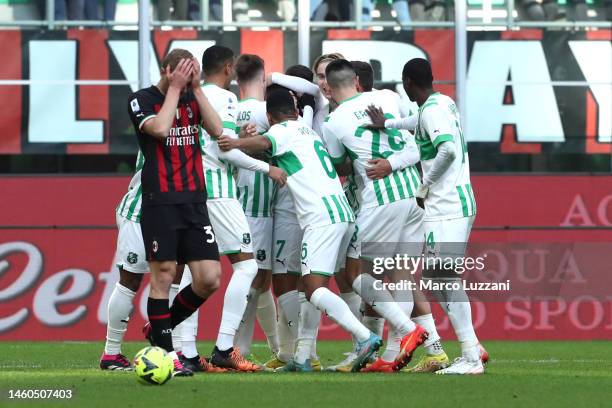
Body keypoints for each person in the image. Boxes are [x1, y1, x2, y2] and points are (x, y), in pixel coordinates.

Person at [218, 88, 382, 373]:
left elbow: (262, 142)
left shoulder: (283, 130)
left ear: (271, 116)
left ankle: (364, 337)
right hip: (341, 212)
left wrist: (233, 141)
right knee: (312, 288)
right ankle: (303, 356)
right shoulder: (307, 132)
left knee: (314, 290)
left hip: (321, 219)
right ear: (294, 111)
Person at [171, 45, 286, 372]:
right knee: (247, 267)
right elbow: (225, 151)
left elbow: (218, 140)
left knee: (191, 271)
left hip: (189, 190)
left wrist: (240, 135)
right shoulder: (224, 99)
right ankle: (224, 347)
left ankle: (186, 353)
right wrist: (268, 169)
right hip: (217, 191)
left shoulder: (187, 98)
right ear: (227, 66)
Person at [369, 57, 487, 374]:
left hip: (446, 204)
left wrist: (425, 186)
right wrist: (388, 125)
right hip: (452, 202)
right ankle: (472, 349)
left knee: (443, 277)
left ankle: (472, 356)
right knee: (438, 277)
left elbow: (446, 149)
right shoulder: (440, 104)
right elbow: (418, 124)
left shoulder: (432, 110)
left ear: (407, 82)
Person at [322, 59, 428, 372]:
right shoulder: (389, 98)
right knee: (401, 276)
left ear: (329, 87)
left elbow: (340, 166)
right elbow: (418, 135)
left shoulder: (333, 122)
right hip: (415, 192)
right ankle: (392, 355)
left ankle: (409, 330)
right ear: (357, 80)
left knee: (354, 272)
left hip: (381, 199)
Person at [128, 48, 224, 377]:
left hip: (195, 200)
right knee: (164, 275)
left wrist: (196, 89)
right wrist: (174, 88)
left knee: (209, 278)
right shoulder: (141, 99)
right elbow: (159, 129)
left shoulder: (192, 95)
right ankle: (167, 355)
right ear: (168, 71)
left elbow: (217, 129)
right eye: (182, 74)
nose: (186, 81)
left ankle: (160, 328)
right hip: (161, 200)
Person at [231, 53, 281, 361]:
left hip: (237, 200)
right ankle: (239, 349)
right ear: (263, 78)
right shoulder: (267, 111)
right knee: (257, 278)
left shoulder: (229, 110)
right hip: (261, 204)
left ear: (237, 80)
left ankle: (276, 347)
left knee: (260, 280)